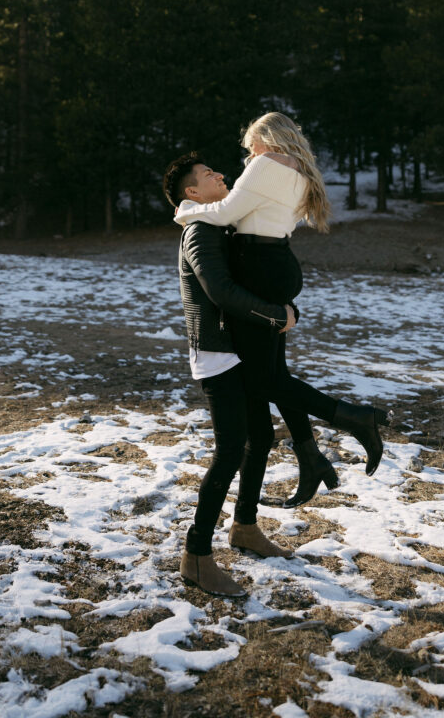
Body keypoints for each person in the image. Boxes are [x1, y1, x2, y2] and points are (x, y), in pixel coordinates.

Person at [174, 112, 391, 477]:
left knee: (262, 381)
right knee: (274, 374)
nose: (249, 153)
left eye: (251, 145)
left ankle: (355, 418)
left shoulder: (266, 164)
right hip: (277, 262)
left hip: (259, 265)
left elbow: (228, 213)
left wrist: (187, 211)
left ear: (266, 139)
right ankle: (310, 457)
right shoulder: (299, 172)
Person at [163, 153, 337, 597]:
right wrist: (276, 315)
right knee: (227, 453)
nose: (220, 174)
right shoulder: (199, 231)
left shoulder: (223, 223)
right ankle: (197, 557)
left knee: (259, 439)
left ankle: (244, 528)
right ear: (192, 193)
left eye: (215, 169)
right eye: (208, 174)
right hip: (218, 355)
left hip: (239, 351)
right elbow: (219, 291)